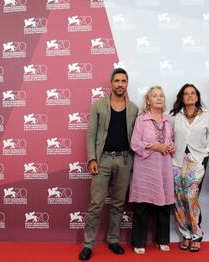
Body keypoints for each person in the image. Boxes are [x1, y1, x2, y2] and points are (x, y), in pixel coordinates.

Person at [78, 68, 138, 260]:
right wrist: (92, 159)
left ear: (126, 84)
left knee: (119, 204)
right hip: (102, 159)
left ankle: (113, 240)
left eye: (123, 81)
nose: (120, 84)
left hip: (125, 160)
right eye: (117, 81)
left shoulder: (134, 108)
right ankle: (88, 245)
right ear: (111, 83)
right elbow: (90, 134)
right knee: (96, 204)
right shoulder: (98, 105)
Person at [129, 85, 175, 255]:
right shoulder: (141, 119)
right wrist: (154, 146)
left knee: (164, 205)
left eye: (161, 95)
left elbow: (172, 141)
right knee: (142, 205)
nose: (158, 98)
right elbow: (135, 144)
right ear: (148, 101)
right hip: (145, 169)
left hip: (164, 168)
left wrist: (171, 147)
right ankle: (139, 241)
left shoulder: (169, 120)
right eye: (154, 95)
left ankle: (162, 240)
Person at [170, 84, 209, 252]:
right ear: (182, 98)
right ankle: (186, 234)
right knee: (178, 199)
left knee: (191, 198)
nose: (189, 96)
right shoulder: (174, 116)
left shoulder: (207, 116)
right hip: (176, 162)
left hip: (196, 162)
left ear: (197, 97)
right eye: (186, 94)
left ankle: (197, 234)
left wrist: (207, 154)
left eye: (193, 93)